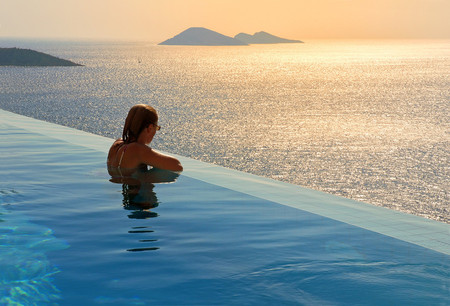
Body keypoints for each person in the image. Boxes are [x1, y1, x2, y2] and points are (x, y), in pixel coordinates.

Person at [107, 104, 183, 174]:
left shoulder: (117, 144)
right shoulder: (137, 150)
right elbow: (177, 166)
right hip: (135, 187)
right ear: (149, 128)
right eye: (156, 127)